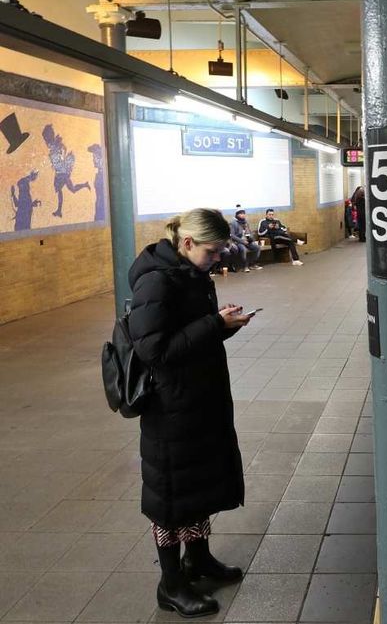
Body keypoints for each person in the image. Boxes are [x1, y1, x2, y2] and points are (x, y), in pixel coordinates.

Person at [127, 208, 255, 617]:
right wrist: (215, 325)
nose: (218, 258)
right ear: (187, 244)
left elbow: (192, 335)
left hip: (197, 399)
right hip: (171, 408)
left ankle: (197, 560)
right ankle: (171, 584)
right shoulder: (155, 282)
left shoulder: (191, 275)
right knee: (170, 497)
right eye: (213, 251)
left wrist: (223, 324)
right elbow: (154, 351)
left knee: (197, 486)